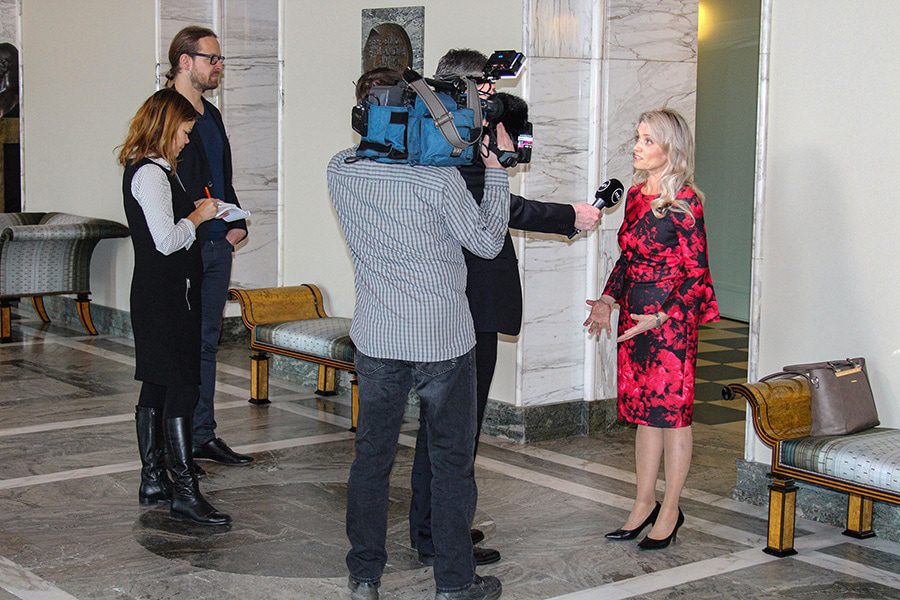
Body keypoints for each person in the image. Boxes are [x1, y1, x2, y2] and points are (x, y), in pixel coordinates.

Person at [408, 48, 603, 567]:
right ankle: (435, 535)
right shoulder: (450, 142)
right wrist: (570, 215)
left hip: (467, 300)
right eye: (484, 88)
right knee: (453, 428)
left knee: (452, 426)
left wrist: (502, 140)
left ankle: (441, 524)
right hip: (466, 302)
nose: (490, 98)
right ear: (461, 88)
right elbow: (495, 205)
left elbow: (504, 177)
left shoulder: (456, 133)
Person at [331, 68, 509, 600]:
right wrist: (496, 172)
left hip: (378, 338)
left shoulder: (340, 170)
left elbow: (363, 151)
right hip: (442, 342)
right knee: (452, 464)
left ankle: (364, 576)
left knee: (372, 460)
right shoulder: (437, 180)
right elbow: (485, 243)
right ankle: (454, 584)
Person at [583, 108, 718, 549]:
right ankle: (643, 503)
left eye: (646, 140)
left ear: (670, 150)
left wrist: (660, 316)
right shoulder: (638, 196)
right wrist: (607, 300)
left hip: (669, 326)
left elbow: (697, 277)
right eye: (636, 138)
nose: (636, 147)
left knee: (673, 419)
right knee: (645, 417)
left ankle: (672, 508)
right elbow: (628, 259)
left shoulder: (687, 203)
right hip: (633, 318)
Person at [118, 88, 231, 526]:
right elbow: (166, 241)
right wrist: (199, 218)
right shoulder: (150, 174)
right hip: (166, 294)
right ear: (167, 127)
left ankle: (154, 479)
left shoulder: (158, 169)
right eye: (184, 132)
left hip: (162, 291)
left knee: (159, 385)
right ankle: (184, 491)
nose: (186, 140)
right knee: (181, 385)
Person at [165, 26, 252, 470]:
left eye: (220, 60)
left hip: (219, 243)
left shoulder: (213, 115)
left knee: (207, 343)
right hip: (184, 246)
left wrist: (237, 226)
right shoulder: (164, 114)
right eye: (211, 59)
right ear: (185, 61)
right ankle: (174, 442)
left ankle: (202, 434)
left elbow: (224, 178)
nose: (218, 67)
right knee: (181, 345)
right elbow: (164, 183)